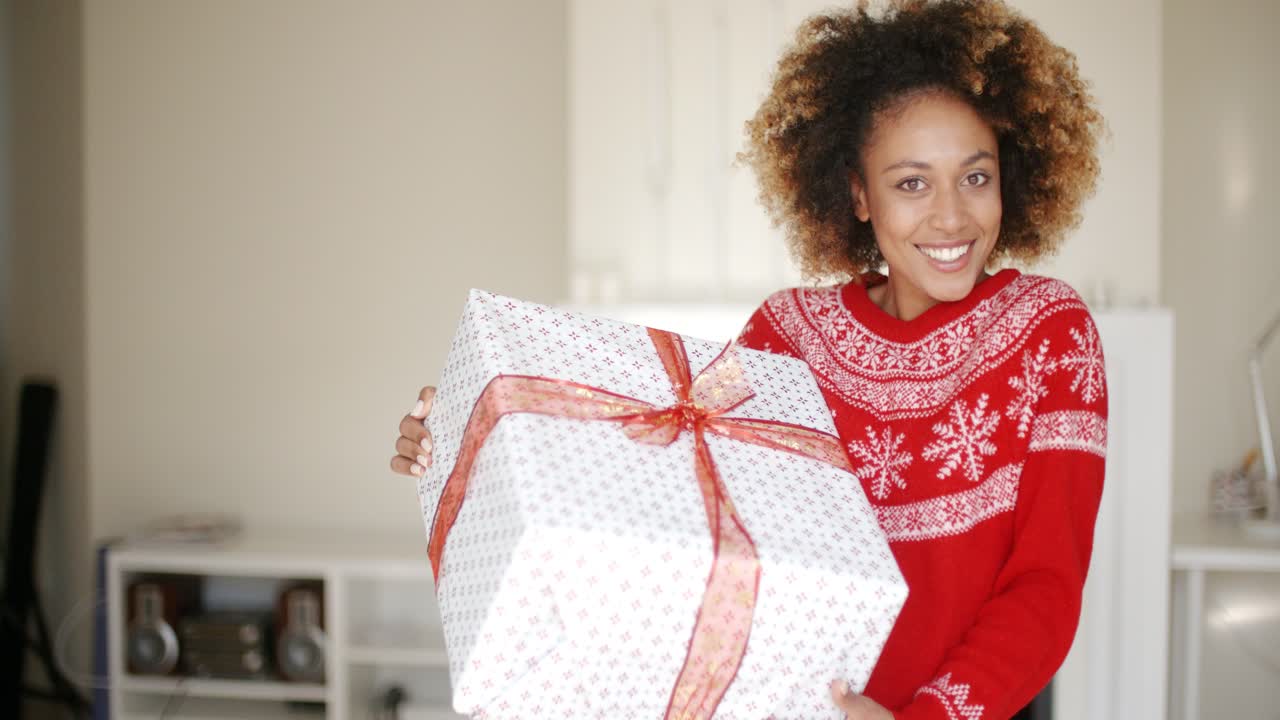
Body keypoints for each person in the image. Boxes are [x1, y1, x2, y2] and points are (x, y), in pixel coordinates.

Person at [391, 1, 1107, 718]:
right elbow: (656, 467)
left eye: (975, 177)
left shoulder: (1049, 331)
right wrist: (472, 435)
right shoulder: (788, 333)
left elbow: (1046, 585)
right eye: (911, 183)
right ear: (858, 194)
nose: (951, 216)